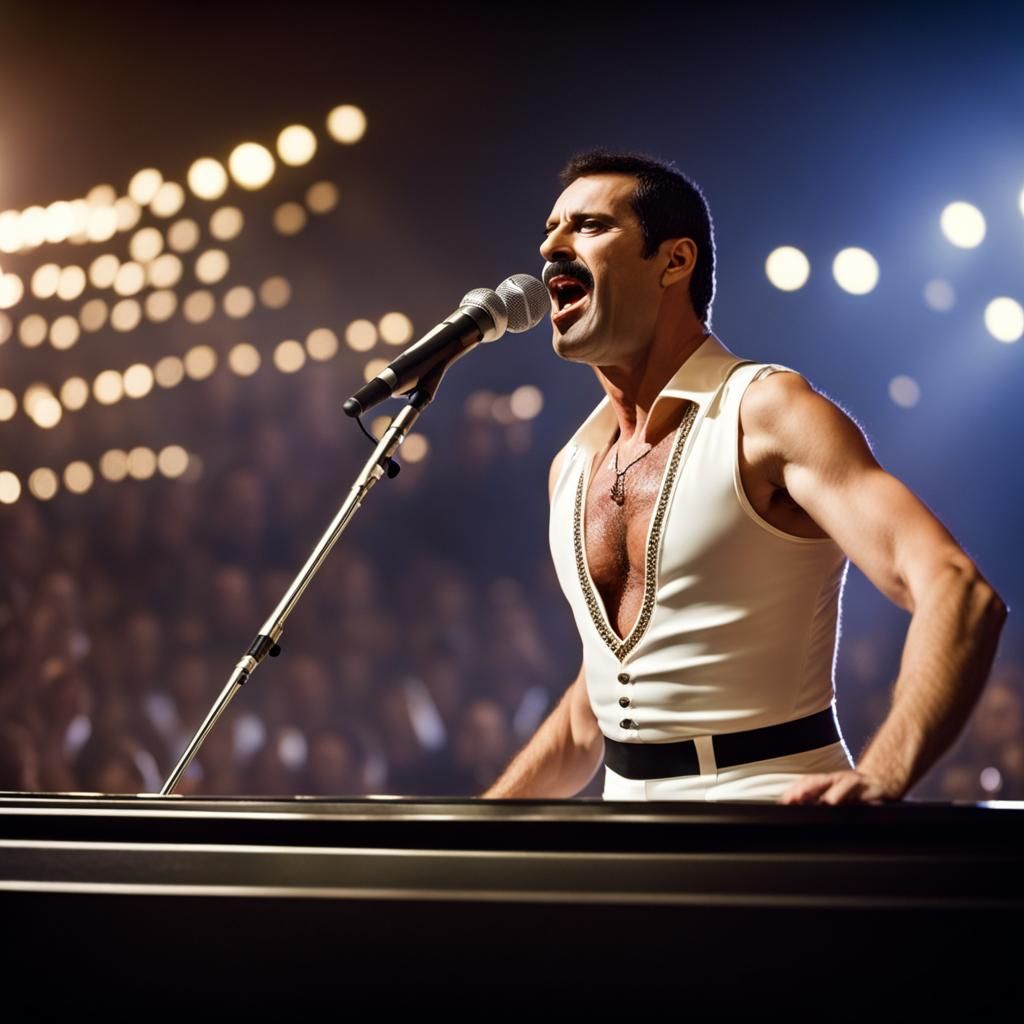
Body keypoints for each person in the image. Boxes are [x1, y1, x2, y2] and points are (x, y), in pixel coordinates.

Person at [483, 150, 1008, 804]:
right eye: (550, 229)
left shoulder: (767, 414)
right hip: (621, 847)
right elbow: (591, 714)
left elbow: (956, 590)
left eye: (588, 226)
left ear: (674, 261)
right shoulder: (571, 464)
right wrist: (475, 832)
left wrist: (885, 772)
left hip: (774, 825)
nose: (551, 246)